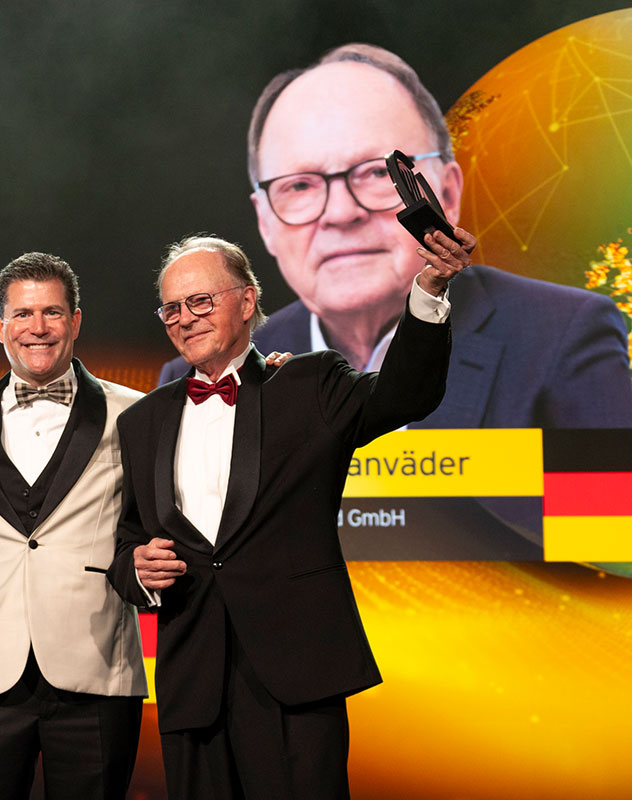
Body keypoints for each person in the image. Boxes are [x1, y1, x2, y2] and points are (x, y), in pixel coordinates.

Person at [110, 228, 471, 798]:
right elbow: (127, 540)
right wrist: (136, 568)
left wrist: (427, 292)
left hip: (295, 675)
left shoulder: (309, 383)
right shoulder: (140, 421)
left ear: (248, 300)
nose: (184, 318)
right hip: (192, 681)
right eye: (171, 308)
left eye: (201, 301)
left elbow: (406, 394)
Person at [159, 43, 632, 431]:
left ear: (447, 188)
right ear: (264, 220)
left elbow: (611, 525)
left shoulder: (564, 335)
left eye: (373, 174)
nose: (341, 214)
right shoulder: (195, 372)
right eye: (299, 185)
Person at [0, 253, 147, 799]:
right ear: (0, 326)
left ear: (75, 321)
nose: (37, 328)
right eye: (22, 314)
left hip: (97, 669)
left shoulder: (136, 414)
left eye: (52, 312)